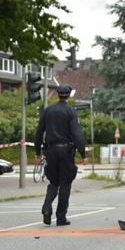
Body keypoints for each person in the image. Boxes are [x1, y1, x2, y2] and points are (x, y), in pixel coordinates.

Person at [33, 84, 86, 226]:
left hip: (50, 151)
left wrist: (37, 151)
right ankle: (61, 217)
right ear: (69, 95)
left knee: (53, 182)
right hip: (66, 152)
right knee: (65, 184)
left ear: (57, 94)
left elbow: (39, 132)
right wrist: (83, 153)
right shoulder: (71, 111)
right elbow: (77, 134)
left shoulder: (48, 110)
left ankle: (46, 206)